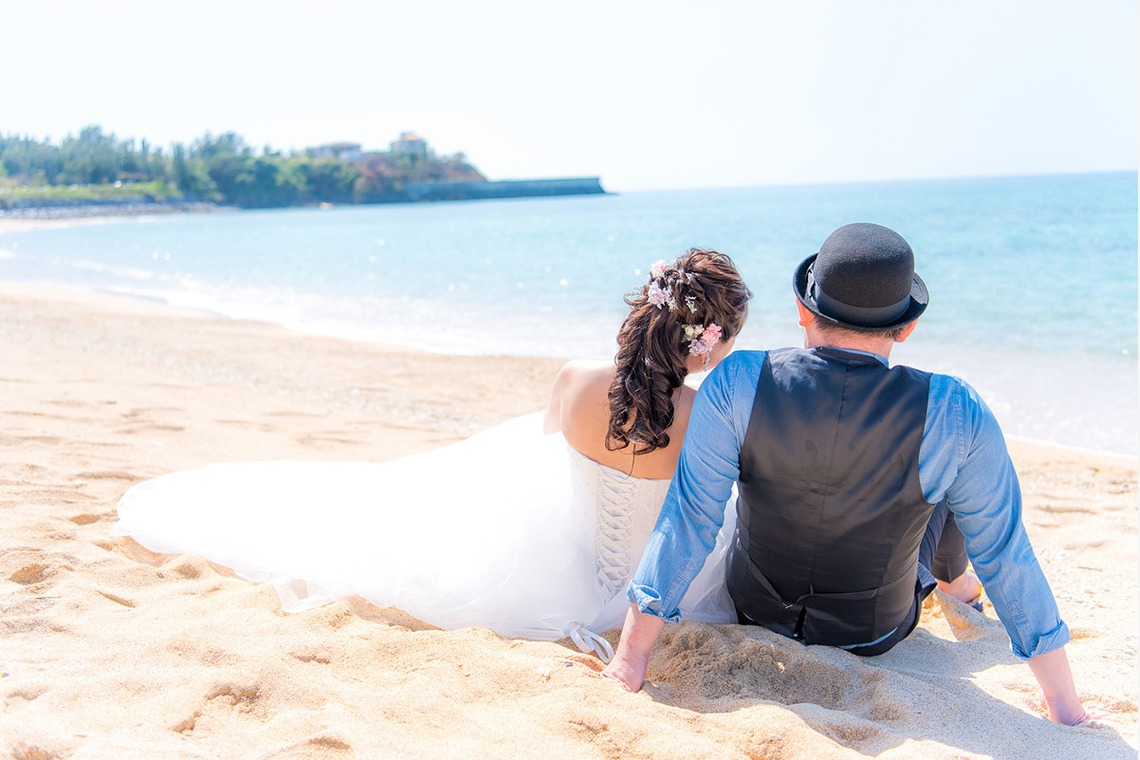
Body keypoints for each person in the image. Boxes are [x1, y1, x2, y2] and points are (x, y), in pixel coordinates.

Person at [114, 248, 752, 662]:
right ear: (710, 342)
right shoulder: (707, 416)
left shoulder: (574, 380)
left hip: (557, 572)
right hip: (666, 593)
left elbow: (537, 475)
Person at [601, 223, 1094, 726]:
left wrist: (633, 654)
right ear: (906, 328)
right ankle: (955, 583)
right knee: (953, 489)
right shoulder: (955, 409)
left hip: (756, 608)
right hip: (874, 632)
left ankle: (954, 583)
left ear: (802, 311)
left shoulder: (737, 380)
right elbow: (1007, 554)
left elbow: (691, 518)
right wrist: (1064, 705)